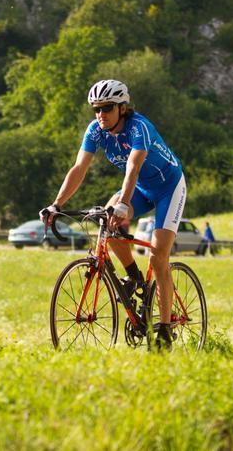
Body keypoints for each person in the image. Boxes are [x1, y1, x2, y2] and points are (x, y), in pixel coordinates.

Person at [40, 79, 186, 349]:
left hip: (168, 187)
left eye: (107, 108)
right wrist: (56, 204)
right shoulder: (96, 130)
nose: (101, 114)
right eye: (96, 109)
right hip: (141, 188)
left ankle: (165, 329)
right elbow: (79, 167)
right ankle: (134, 277)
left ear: (122, 107)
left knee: (158, 254)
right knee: (107, 223)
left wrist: (123, 204)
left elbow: (133, 166)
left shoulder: (138, 127)